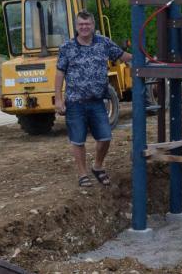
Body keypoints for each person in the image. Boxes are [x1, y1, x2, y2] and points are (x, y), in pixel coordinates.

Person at [55, 10, 132, 188]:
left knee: (105, 137)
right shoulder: (67, 48)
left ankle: (97, 166)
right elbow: (59, 73)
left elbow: (122, 56)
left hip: (97, 101)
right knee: (78, 140)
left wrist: (142, 59)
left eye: (87, 24)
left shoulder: (103, 43)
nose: (84, 27)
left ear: (93, 26)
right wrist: (58, 99)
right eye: (81, 24)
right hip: (75, 102)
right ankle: (82, 174)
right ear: (76, 27)